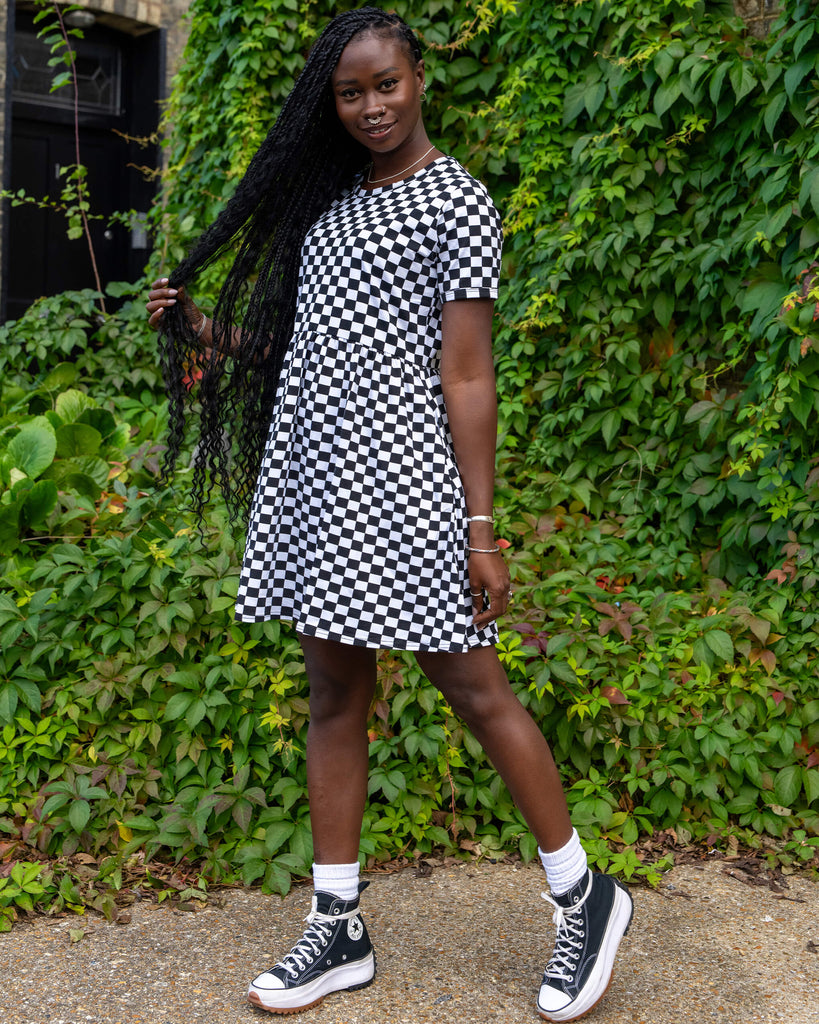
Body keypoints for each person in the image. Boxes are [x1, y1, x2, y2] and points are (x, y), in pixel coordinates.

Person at [146, 7, 633, 1021]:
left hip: (406, 481)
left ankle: (583, 892)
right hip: (319, 478)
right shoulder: (331, 204)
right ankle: (339, 922)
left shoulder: (454, 200)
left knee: (472, 683)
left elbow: (465, 372)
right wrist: (201, 327)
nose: (371, 106)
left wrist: (482, 528)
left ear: (420, 80)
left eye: (387, 84)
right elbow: (305, 353)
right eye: (351, 91)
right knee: (333, 691)